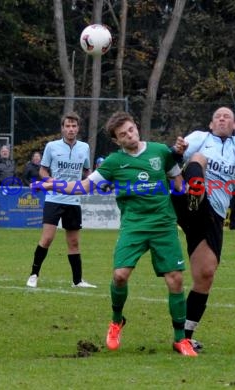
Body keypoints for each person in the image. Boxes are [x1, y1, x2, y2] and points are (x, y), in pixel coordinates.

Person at [35, 111, 197, 356]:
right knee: (120, 276)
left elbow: (178, 183)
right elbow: (84, 186)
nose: (129, 136)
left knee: (175, 279)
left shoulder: (160, 152)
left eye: (131, 130)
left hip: (163, 225)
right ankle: (116, 320)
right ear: (116, 141)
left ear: (136, 127)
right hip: (133, 225)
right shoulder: (113, 162)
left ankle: (180, 339)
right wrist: (53, 184)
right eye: (123, 134)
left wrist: (180, 160)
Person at [171, 106, 235, 350]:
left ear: (234, 124)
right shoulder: (200, 137)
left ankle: (183, 336)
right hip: (189, 201)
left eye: (227, 116)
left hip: (214, 214)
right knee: (199, 159)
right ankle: (196, 190)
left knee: (205, 275)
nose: (221, 119)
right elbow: (172, 157)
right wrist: (177, 151)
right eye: (217, 116)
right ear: (211, 123)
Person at [26, 112, 95, 289]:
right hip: (54, 199)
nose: (71, 129)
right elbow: (42, 171)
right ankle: (34, 274)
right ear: (62, 128)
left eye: (74, 126)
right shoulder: (51, 146)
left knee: (73, 242)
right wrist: (50, 181)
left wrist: (93, 181)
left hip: (74, 200)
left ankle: (77, 281)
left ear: (78, 128)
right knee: (47, 238)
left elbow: (87, 172)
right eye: (67, 126)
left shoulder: (84, 148)